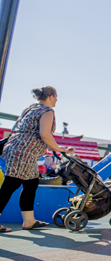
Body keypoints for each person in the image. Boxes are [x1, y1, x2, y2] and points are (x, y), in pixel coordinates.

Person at [0, 87, 75, 232]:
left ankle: (29, 221)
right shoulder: (47, 111)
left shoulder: (31, 108)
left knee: (31, 184)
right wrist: (58, 148)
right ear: (51, 96)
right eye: (56, 96)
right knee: (10, 185)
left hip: (16, 149)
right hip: (24, 152)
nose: (57, 99)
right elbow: (45, 134)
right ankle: (27, 221)